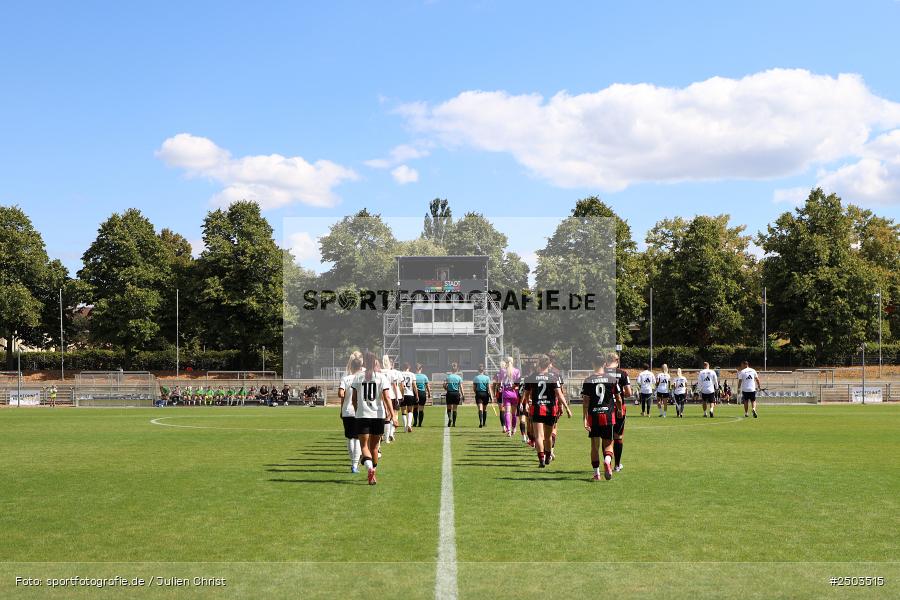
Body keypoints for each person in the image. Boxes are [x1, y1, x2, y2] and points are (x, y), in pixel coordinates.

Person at [352, 352, 396, 485]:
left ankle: (369, 469)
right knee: (375, 447)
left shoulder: (358, 377)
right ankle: (373, 473)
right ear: (375, 362)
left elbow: (354, 399)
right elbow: (387, 397)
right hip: (378, 415)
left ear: (364, 363)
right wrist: (392, 415)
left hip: (363, 415)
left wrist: (357, 410)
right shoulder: (381, 377)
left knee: (364, 446)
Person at [582, 353, 624, 481]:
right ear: (605, 364)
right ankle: (607, 460)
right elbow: (618, 398)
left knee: (594, 446)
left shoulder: (588, 380)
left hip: (594, 416)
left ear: (593, 364)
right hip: (608, 416)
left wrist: (585, 418)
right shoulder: (611, 379)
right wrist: (620, 410)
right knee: (609, 444)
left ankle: (596, 474)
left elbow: (585, 401)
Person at [521, 355, 564, 468]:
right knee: (548, 437)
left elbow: (526, 393)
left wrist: (525, 403)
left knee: (539, 436)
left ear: (539, 363)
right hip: (550, 409)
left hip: (537, 408)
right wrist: (565, 407)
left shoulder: (532, 377)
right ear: (548, 364)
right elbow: (559, 394)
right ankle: (548, 456)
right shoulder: (553, 377)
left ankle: (541, 458)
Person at [339, 352, 363, 473]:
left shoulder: (345, 378)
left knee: (349, 438)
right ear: (360, 367)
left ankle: (353, 462)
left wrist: (341, 408)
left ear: (351, 367)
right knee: (358, 438)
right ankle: (355, 464)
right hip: (360, 411)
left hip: (347, 411)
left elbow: (340, 394)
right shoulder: (363, 378)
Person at [611, 354, 631, 472]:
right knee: (618, 436)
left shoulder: (602, 373)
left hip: (605, 408)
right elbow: (628, 393)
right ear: (617, 361)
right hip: (619, 408)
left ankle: (607, 461)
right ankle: (617, 465)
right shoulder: (623, 373)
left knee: (607, 437)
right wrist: (620, 392)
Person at [493, 357, 520, 438]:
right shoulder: (516, 371)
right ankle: (514, 428)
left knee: (507, 413)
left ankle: (508, 430)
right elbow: (518, 384)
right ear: (512, 362)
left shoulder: (502, 371)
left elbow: (499, 382)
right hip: (514, 394)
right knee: (514, 413)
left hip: (506, 394)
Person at [381, 355, 403, 442]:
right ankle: (389, 435)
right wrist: (397, 397)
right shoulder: (392, 373)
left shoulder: (379, 372)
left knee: (383, 416)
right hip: (391, 396)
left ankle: (383, 435)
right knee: (391, 415)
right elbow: (394, 386)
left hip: (381, 396)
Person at [399, 362, 417, 433]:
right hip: (410, 394)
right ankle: (409, 424)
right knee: (410, 410)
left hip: (402, 394)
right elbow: (414, 386)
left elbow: (400, 385)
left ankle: (405, 428)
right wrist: (417, 395)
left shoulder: (400, 374)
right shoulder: (412, 374)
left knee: (403, 411)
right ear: (409, 367)